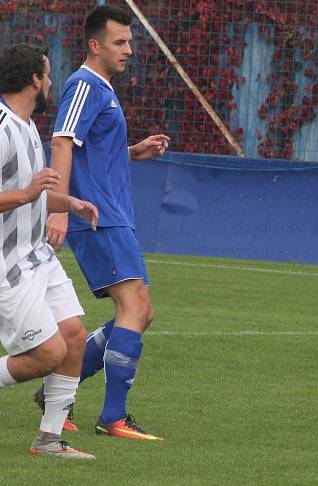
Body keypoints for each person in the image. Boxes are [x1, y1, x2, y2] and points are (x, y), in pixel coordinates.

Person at [41, 4, 170, 441]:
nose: (129, 49)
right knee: (134, 308)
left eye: (131, 41)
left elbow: (90, 147)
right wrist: (59, 206)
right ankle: (113, 416)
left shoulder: (103, 88)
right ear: (95, 45)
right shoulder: (84, 84)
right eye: (120, 42)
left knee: (140, 312)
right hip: (96, 215)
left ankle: (63, 386)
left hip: (112, 213)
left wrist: (133, 151)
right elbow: (61, 140)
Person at [0, 43, 99, 459]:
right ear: (34, 80)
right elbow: (21, 193)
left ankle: (49, 438)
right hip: (8, 266)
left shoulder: (26, 127)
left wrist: (68, 203)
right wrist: (25, 193)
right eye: (47, 72)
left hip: (37, 254)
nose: (51, 80)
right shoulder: (2, 127)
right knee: (48, 353)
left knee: (74, 336)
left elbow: (35, 195)